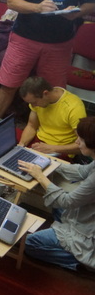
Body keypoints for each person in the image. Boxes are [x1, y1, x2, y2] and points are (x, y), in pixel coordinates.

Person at [18, 116, 95, 272]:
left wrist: (40, 176)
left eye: (81, 139)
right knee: (56, 205)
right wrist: (47, 162)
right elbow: (81, 171)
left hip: (88, 231)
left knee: (29, 244)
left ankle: (81, 262)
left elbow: (66, 201)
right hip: (85, 215)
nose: (77, 142)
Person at [18, 76, 86, 156]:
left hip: (61, 150)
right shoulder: (38, 102)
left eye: (34, 102)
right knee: (8, 139)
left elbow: (85, 144)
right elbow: (32, 126)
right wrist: (21, 146)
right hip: (39, 142)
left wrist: (53, 148)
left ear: (45, 93)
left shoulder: (74, 107)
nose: (33, 105)